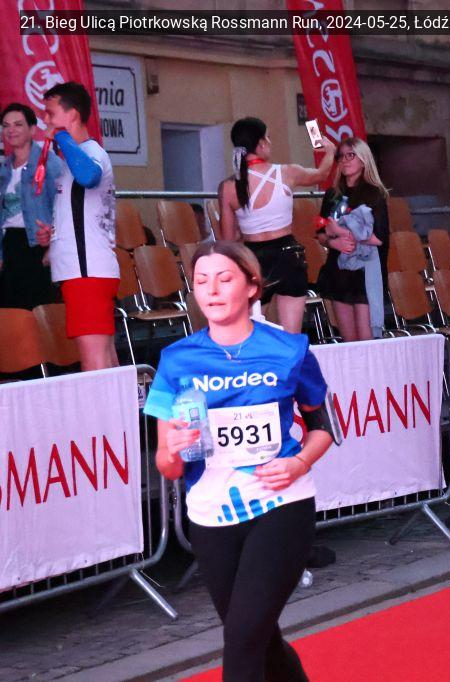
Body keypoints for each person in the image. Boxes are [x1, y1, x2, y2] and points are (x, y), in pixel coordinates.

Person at [146, 241, 333, 680]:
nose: (211, 290)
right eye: (201, 281)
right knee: (258, 637)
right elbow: (167, 465)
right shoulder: (176, 360)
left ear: (251, 287)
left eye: (224, 279)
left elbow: (325, 428)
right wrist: (173, 450)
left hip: (281, 504)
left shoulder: (289, 348)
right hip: (211, 514)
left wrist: (300, 463)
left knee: (243, 637)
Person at [217, 116, 336, 334]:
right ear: (261, 143)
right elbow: (321, 174)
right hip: (287, 253)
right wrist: (330, 152)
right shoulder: (287, 172)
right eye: (268, 138)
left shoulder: (228, 187)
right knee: (291, 334)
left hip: (251, 257)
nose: (270, 143)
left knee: (250, 332)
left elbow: (227, 240)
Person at [32, 82, 119, 371]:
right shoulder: (70, 159)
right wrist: (52, 237)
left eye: (50, 113)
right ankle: (117, 403)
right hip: (84, 271)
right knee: (105, 359)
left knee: (94, 363)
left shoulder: (90, 152)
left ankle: (102, 406)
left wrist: (60, 136)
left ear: (72, 115)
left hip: (87, 272)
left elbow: (89, 176)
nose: (45, 120)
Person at [317, 137, 389, 341]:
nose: (345, 160)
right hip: (338, 270)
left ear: (363, 159)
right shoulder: (332, 195)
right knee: (349, 342)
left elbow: (379, 238)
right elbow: (320, 234)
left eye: (351, 155)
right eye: (341, 156)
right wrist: (332, 242)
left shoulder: (374, 194)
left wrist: (342, 233)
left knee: (366, 340)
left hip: (365, 272)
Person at [0, 102, 62, 309]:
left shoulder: (49, 162)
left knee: (37, 312)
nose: (11, 130)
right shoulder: (4, 168)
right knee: (10, 313)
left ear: (33, 129)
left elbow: (63, 207)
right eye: (6, 126)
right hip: (9, 244)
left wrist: (53, 248)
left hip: (37, 244)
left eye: (18, 124)